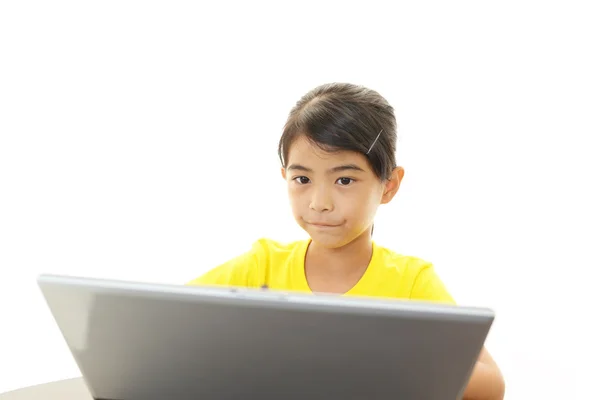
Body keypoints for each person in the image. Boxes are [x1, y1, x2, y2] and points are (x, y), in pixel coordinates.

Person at [188, 82, 505, 399]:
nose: (319, 202)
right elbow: (169, 329)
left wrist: (390, 362)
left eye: (344, 180)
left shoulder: (410, 282)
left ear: (388, 185)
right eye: (303, 179)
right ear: (285, 176)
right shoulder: (261, 267)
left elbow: (491, 385)